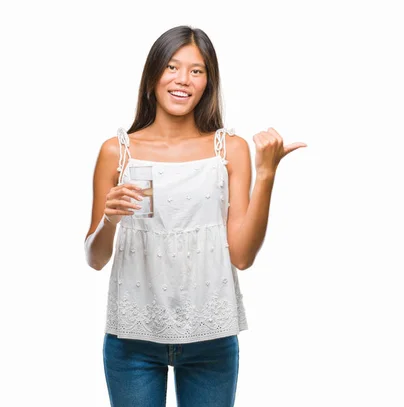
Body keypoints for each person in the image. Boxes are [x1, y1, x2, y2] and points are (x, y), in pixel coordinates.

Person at [84, 25, 306, 407]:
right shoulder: (116, 151)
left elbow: (241, 256)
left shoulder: (229, 149)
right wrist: (110, 219)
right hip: (132, 341)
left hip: (211, 339)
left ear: (208, 82)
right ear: (152, 75)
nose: (183, 79)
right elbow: (95, 257)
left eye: (197, 70)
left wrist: (267, 174)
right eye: (172, 66)